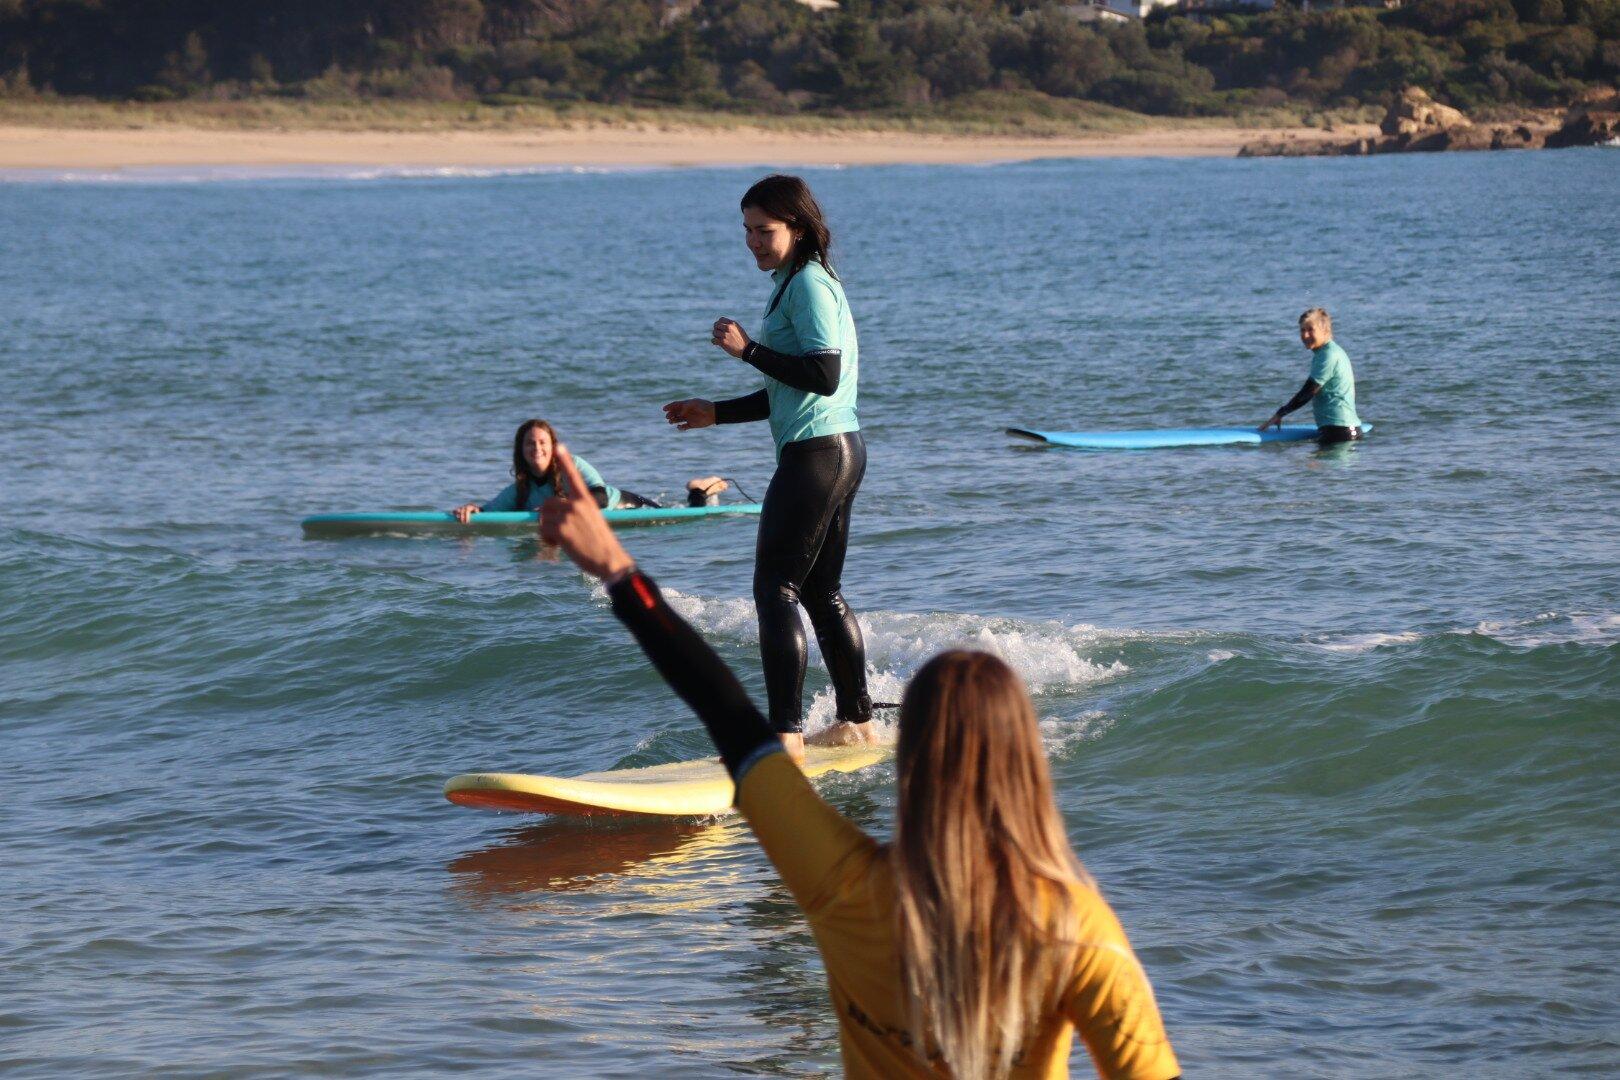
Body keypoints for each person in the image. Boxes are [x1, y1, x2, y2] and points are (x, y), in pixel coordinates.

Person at [539, 443, 1182, 1080]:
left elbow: (729, 716)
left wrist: (618, 571)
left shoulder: (847, 889)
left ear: (912, 766)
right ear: (1029, 768)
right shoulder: (1074, 931)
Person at [662, 175, 872, 761]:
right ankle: (857, 721)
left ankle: (785, 736)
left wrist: (747, 350)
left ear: (797, 228)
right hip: (837, 449)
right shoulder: (798, 282)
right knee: (821, 592)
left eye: (766, 230)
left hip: (817, 456)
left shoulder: (807, 285)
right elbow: (792, 391)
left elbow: (823, 375)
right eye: (748, 230)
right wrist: (716, 413)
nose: (753, 241)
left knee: (775, 589)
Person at [452, 418, 726, 524]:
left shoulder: (572, 466)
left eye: (542, 442)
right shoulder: (521, 489)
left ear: (553, 446)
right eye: (529, 443)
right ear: (520, 450)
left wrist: (564, 504)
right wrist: (472, 511)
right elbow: (491, 512)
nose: (537, 448)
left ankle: (700, 489)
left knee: (684, 518)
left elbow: (601, 497)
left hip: (626, 508)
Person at [1260, 308, 1363, 444]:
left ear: (1325, 331)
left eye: (1310, 330)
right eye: (1302, 330)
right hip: (1341, 430)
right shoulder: (1327, 352)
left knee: (1305, 464)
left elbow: (1309, 391)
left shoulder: (1328, 355)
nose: (1305, 335)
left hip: (1339, 432)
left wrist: (1280, 413)